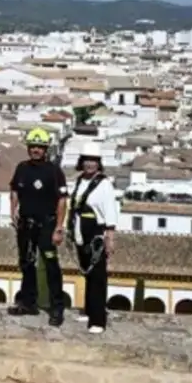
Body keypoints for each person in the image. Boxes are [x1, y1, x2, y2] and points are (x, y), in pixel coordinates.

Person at [7, 127, 68, 326]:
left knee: (51, 265)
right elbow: (14, 190)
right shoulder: (22, 168)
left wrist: (59, 227)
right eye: (32, 146)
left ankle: (56, 307)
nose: (35, 150)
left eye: (39, 147)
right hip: (26, 225)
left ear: (45, 149)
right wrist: (13, 210)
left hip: (47, 225)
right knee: (26, 263)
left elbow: (62, 200)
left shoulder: (54, 171)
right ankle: (28, 303)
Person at [67, 142, 117, 334]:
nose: (90, 164)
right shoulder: (80, 181)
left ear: (99, 163)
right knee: (87, 272)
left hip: (96, 232)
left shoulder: (104, 184)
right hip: (81, 230)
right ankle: (89, 310)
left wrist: (109, 237)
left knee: (97, 275)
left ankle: (98, 319)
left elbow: (110, 211)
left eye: (93, 161)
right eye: (87, 160)